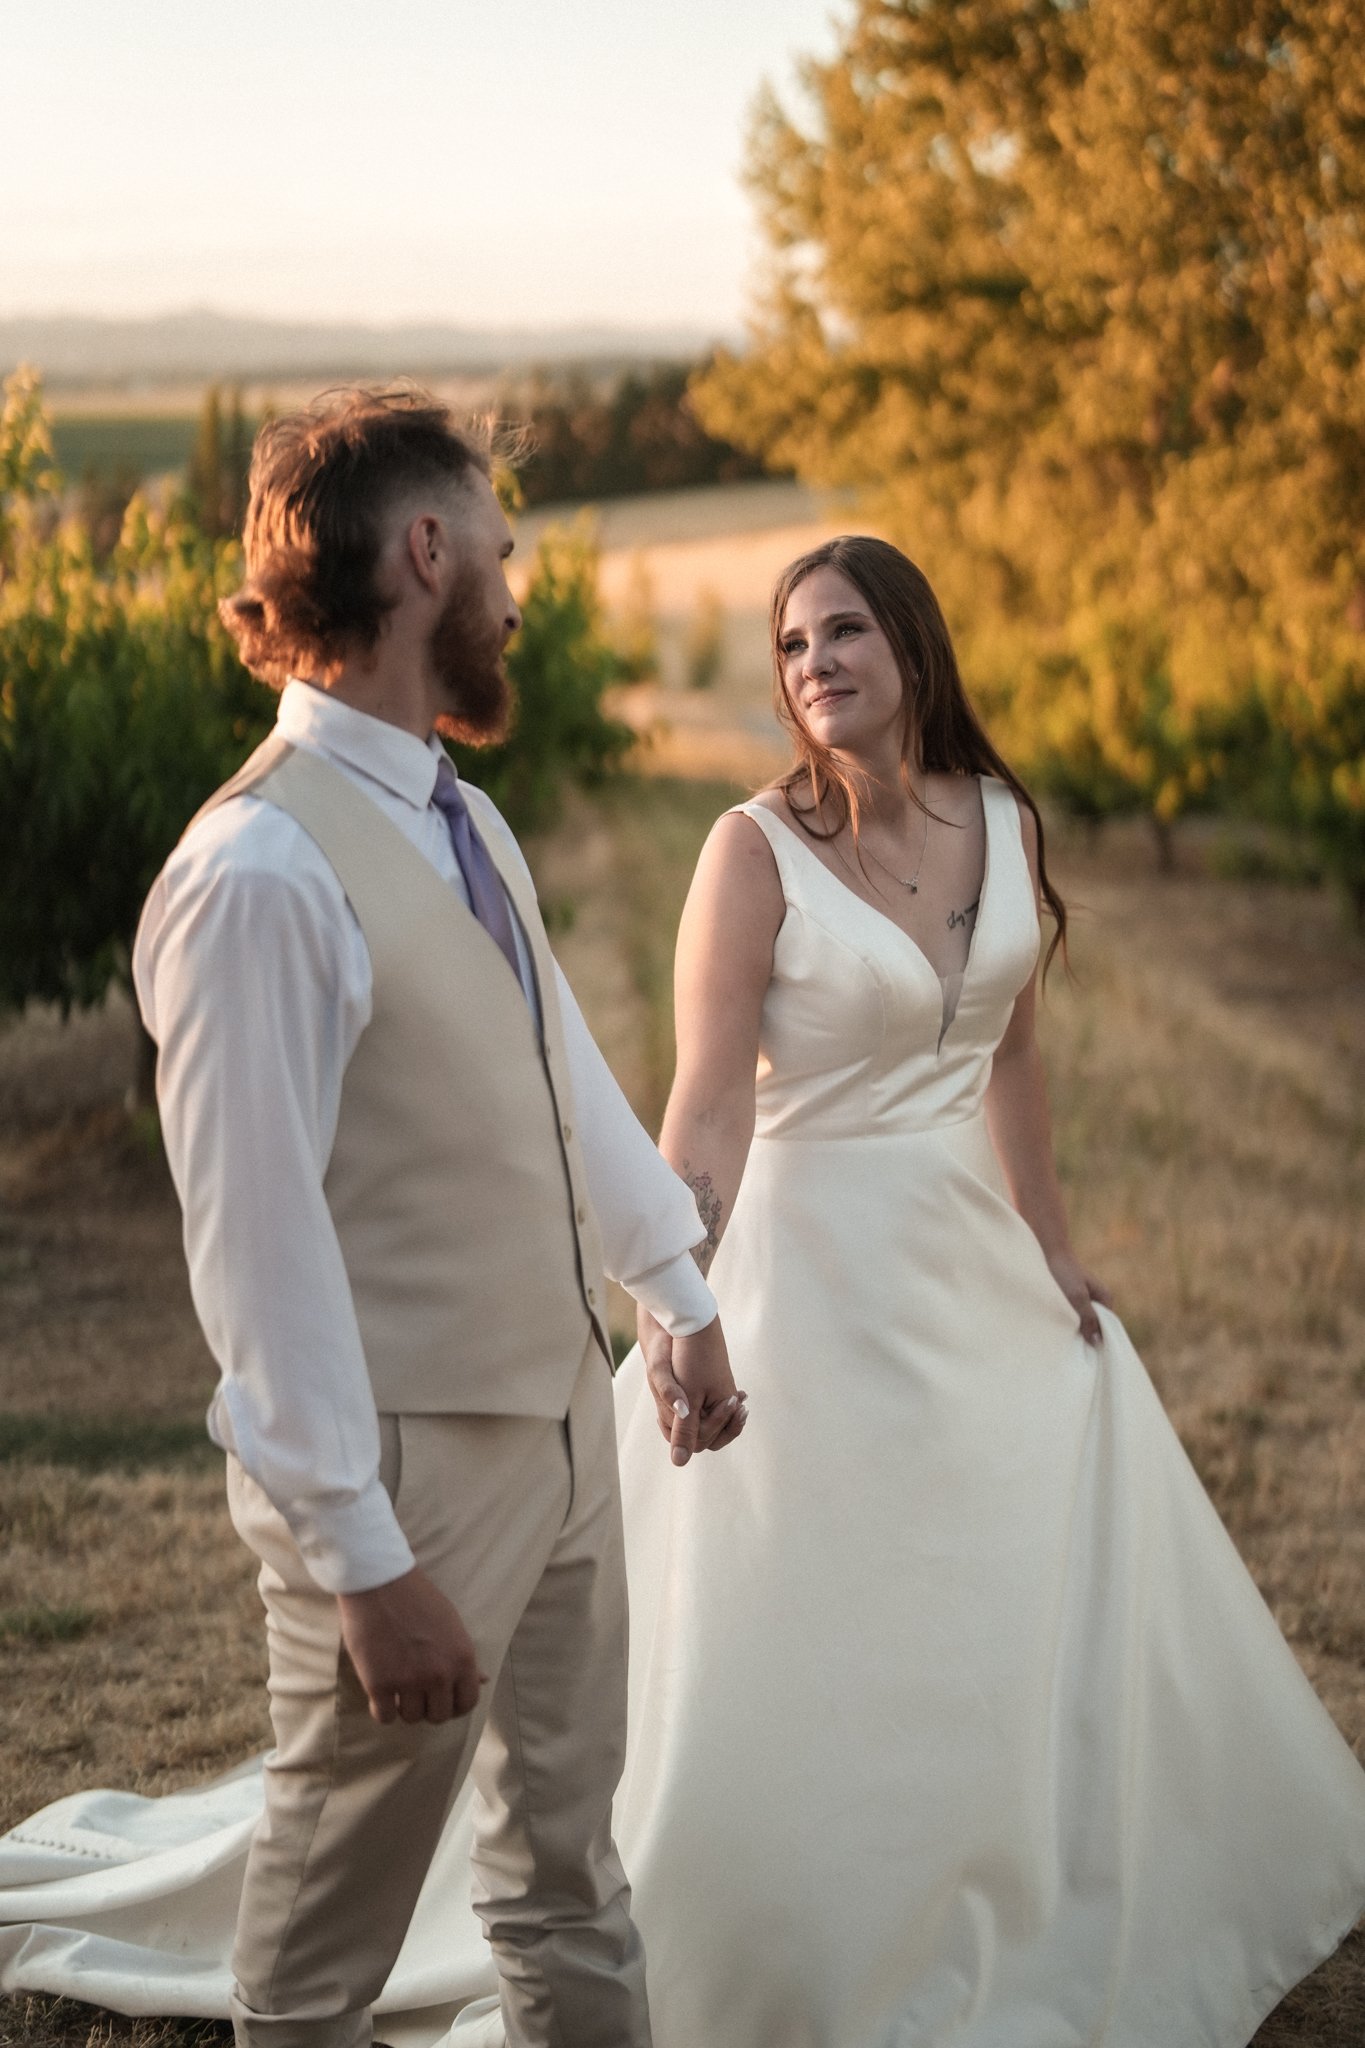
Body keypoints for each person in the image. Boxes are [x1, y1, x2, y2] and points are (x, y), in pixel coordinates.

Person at [3, 532, 1365, 2048]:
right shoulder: (748, 852)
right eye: (790, 646)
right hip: (811, 1272)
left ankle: (1023, 1857)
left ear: (911, 648)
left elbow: (1013, 1060)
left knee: (1026, 1536)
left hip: (965, 1264)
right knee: (812, 1602)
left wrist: (1046, 1242)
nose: (815, 666)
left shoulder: (1001, 820)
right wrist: (676, 1288)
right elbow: (700, 1108)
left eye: (844, 633)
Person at [77, 387, 745, 2048]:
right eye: (501, 554)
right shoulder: (256, 878)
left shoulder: (461, 813)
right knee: (323, 1958)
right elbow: (257, 1252)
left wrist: (672, 1293)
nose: (518, 596)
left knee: (568, 1876)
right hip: (399, 1470)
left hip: (562, 1426)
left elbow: (561, 1082)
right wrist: (364, 1562)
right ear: (424, 552)